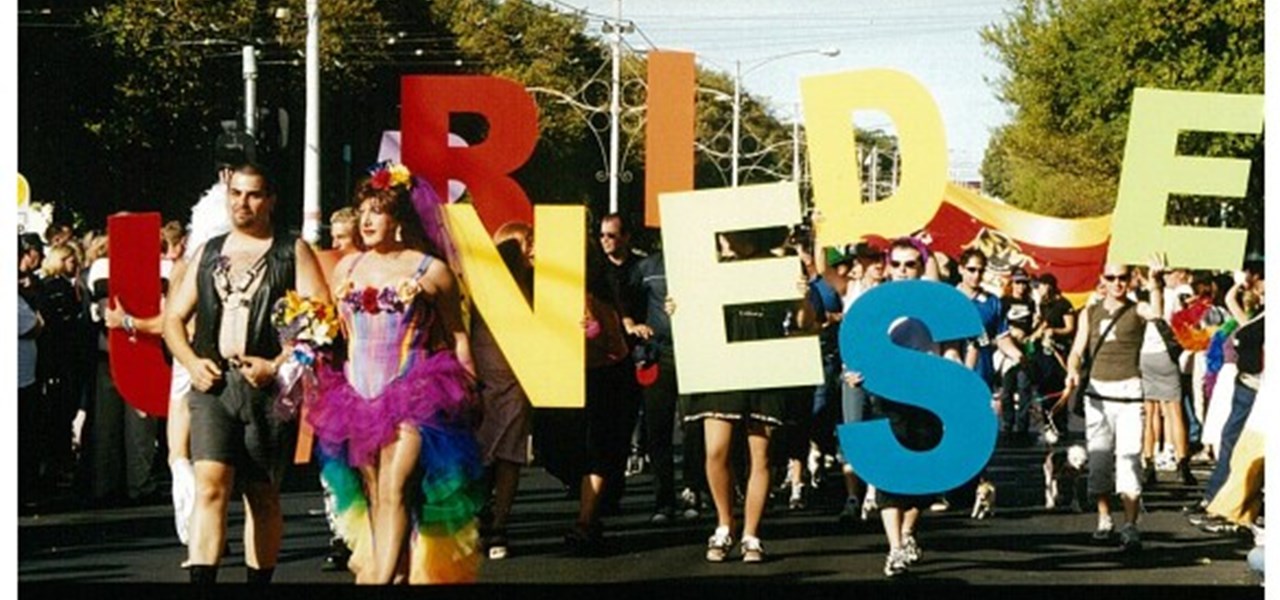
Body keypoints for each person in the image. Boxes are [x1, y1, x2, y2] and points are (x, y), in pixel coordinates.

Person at [305, 163, 481, 584]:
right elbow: (331, 329)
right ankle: (394, 569)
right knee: (373, 492)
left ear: (398, 218)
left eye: (376, 211)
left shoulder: (430, 270)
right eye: (362, 210)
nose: (365, 220)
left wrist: (471, 384)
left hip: (414, 391)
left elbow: (457, 333)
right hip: (356, 395)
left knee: (396, 486)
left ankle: (381, 578)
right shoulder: (346, 269)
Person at [163, 162, 328, 584]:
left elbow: (320, 319)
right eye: (236, 193)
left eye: (253, 194)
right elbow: (173, 319)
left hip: (267, 389)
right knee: (210, 486)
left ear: (270, 199)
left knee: (262, 495)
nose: (243, 203)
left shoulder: (292, 250)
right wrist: (190, 361)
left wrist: (276, 364)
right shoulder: (209, 251)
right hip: (213, 385)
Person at [680, 229, 813, 564]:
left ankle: (751, 534)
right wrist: (677, 307)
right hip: (722, 366)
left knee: (761, 456)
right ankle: (724, 524)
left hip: (764, 365)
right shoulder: (711, 269)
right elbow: (691, 315)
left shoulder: (781, 266)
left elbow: (803, 324)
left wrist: (803, 296)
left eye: (729, 235)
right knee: (716, 451)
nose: (724, 241)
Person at [1064, 259, 1165, 552]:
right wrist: (1072, 370)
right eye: (1111, 277)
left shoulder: (1137, 308)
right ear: (1102, 279)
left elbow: (1156, 314)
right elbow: (1077, 350)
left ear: (1131, 279)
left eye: (1123, 277)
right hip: (1097, 396)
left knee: (1130, 458)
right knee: (1099, 461)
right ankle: (1104, 517)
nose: (1117, 283)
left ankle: (1131, 525)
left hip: (1130, 394)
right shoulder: (1090, 312)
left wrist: (1155, 283)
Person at [473, 221, 536, 559]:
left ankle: (499, 525)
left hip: (517, 378)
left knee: (510, 454)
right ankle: (481, 516)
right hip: (483, 378)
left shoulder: (540, 283)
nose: (530, 249)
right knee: (481, 453)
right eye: (525, 242)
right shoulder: (478, 282)